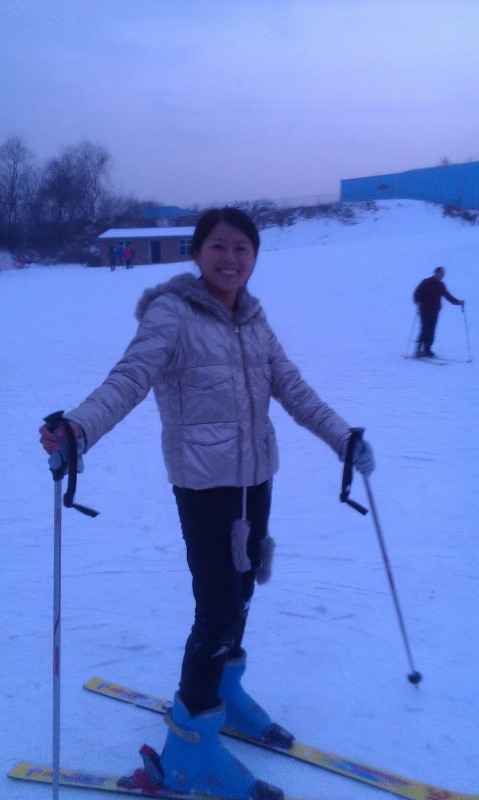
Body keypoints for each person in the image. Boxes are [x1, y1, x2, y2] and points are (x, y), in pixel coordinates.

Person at [39, 207, 374, 800]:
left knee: (241, 593)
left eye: (242, 248)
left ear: (254, 257)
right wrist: (79, 428)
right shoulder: (172, 312)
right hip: (204, 485)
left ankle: (225, 690)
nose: (231, 258)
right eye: (218, 246)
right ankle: (188, 752)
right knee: (216, 609)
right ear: (196, 253)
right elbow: (130, 376)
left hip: (256, 479)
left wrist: (342, 437)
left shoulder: (254, 320)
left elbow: (293, 387)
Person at [413, 266, 464, 357]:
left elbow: (448, 296)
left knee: (431, 330)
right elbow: (417, 293)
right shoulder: (426, 282)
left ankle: (427, 349)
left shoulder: (441, 285)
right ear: (436, 273)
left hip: (435, 311)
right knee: (425, 329)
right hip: (424, 309)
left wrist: (458, 302)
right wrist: (417, 302)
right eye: (441, 274)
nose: (442, 276)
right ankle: (418, 350)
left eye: (443, 274)